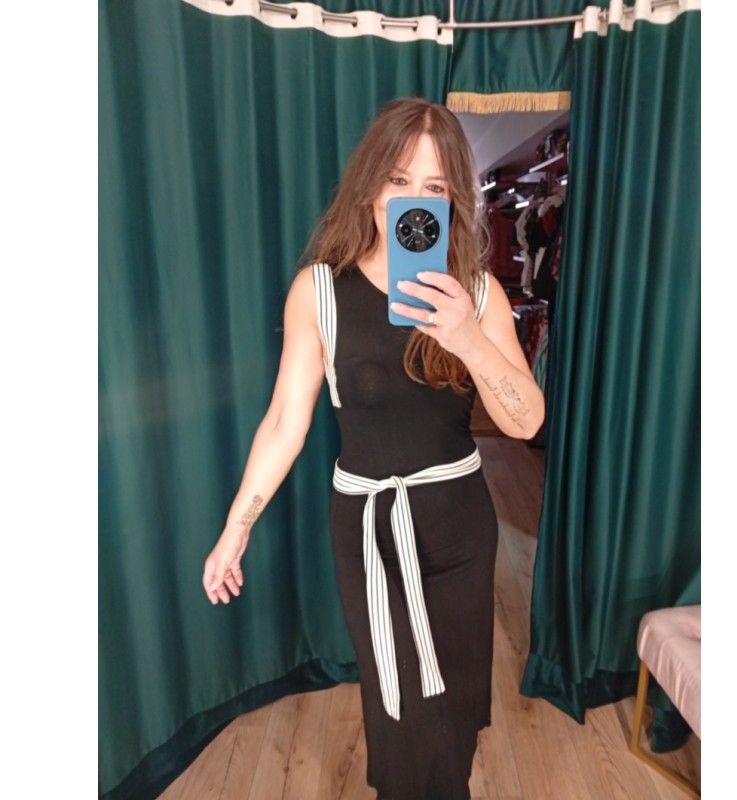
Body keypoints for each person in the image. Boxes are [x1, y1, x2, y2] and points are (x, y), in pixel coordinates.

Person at [202, 97, 545, 799]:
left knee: (452, 708)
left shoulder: (477, 294)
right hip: (369, 533)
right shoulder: (319, 292)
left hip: (460, 527)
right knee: (398, 709)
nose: (413, 198)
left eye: (434, 185)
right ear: (370, 186)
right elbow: (285, 422)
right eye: (398, 179)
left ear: (454, 199)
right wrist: (236, 528)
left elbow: (526, 422)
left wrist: (469, 338)